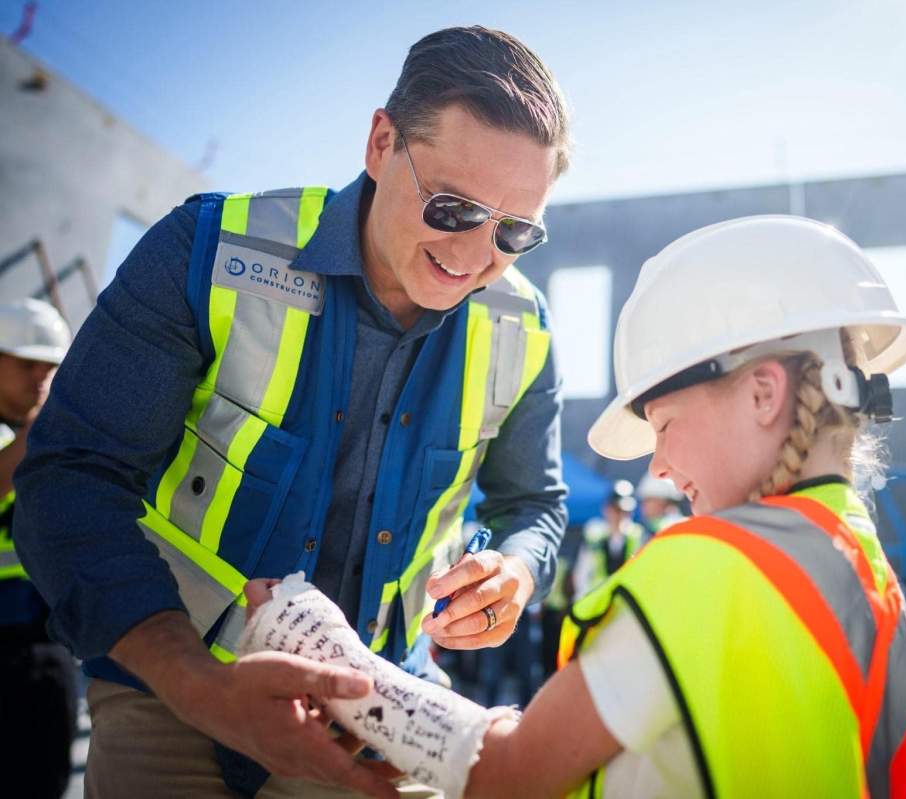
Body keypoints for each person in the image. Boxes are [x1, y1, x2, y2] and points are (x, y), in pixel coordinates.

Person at [14, 26, 570, 798]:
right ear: (381, 143)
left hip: (384, 707)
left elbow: (536, 505)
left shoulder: (523, 327)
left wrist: (515, 569)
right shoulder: (208, 252)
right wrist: (198, 683)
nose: (478, 255)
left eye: (515, 231)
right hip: (174, 687)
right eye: (453, 208)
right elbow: (70, 479)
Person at [421, 215, 906, 795]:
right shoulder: (868, 575)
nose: (659, 467)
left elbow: (507, 777)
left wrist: (362, 681)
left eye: (664, 426)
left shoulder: (708, 567)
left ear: (764, 394)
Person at [0, 299, 76, 799]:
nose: (41, 378)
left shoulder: (58, 442)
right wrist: (42, 433)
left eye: (50, 367)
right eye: (28, 363)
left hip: (47, 640)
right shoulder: (36, 438)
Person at [571, 479, 645, 597]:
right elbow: (582, 572)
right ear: (607, 509)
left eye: (625, 511)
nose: (621, 515)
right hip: (597, 598)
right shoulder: (594, 535)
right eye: (617, 510)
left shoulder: (638, 536)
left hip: (625, 600)